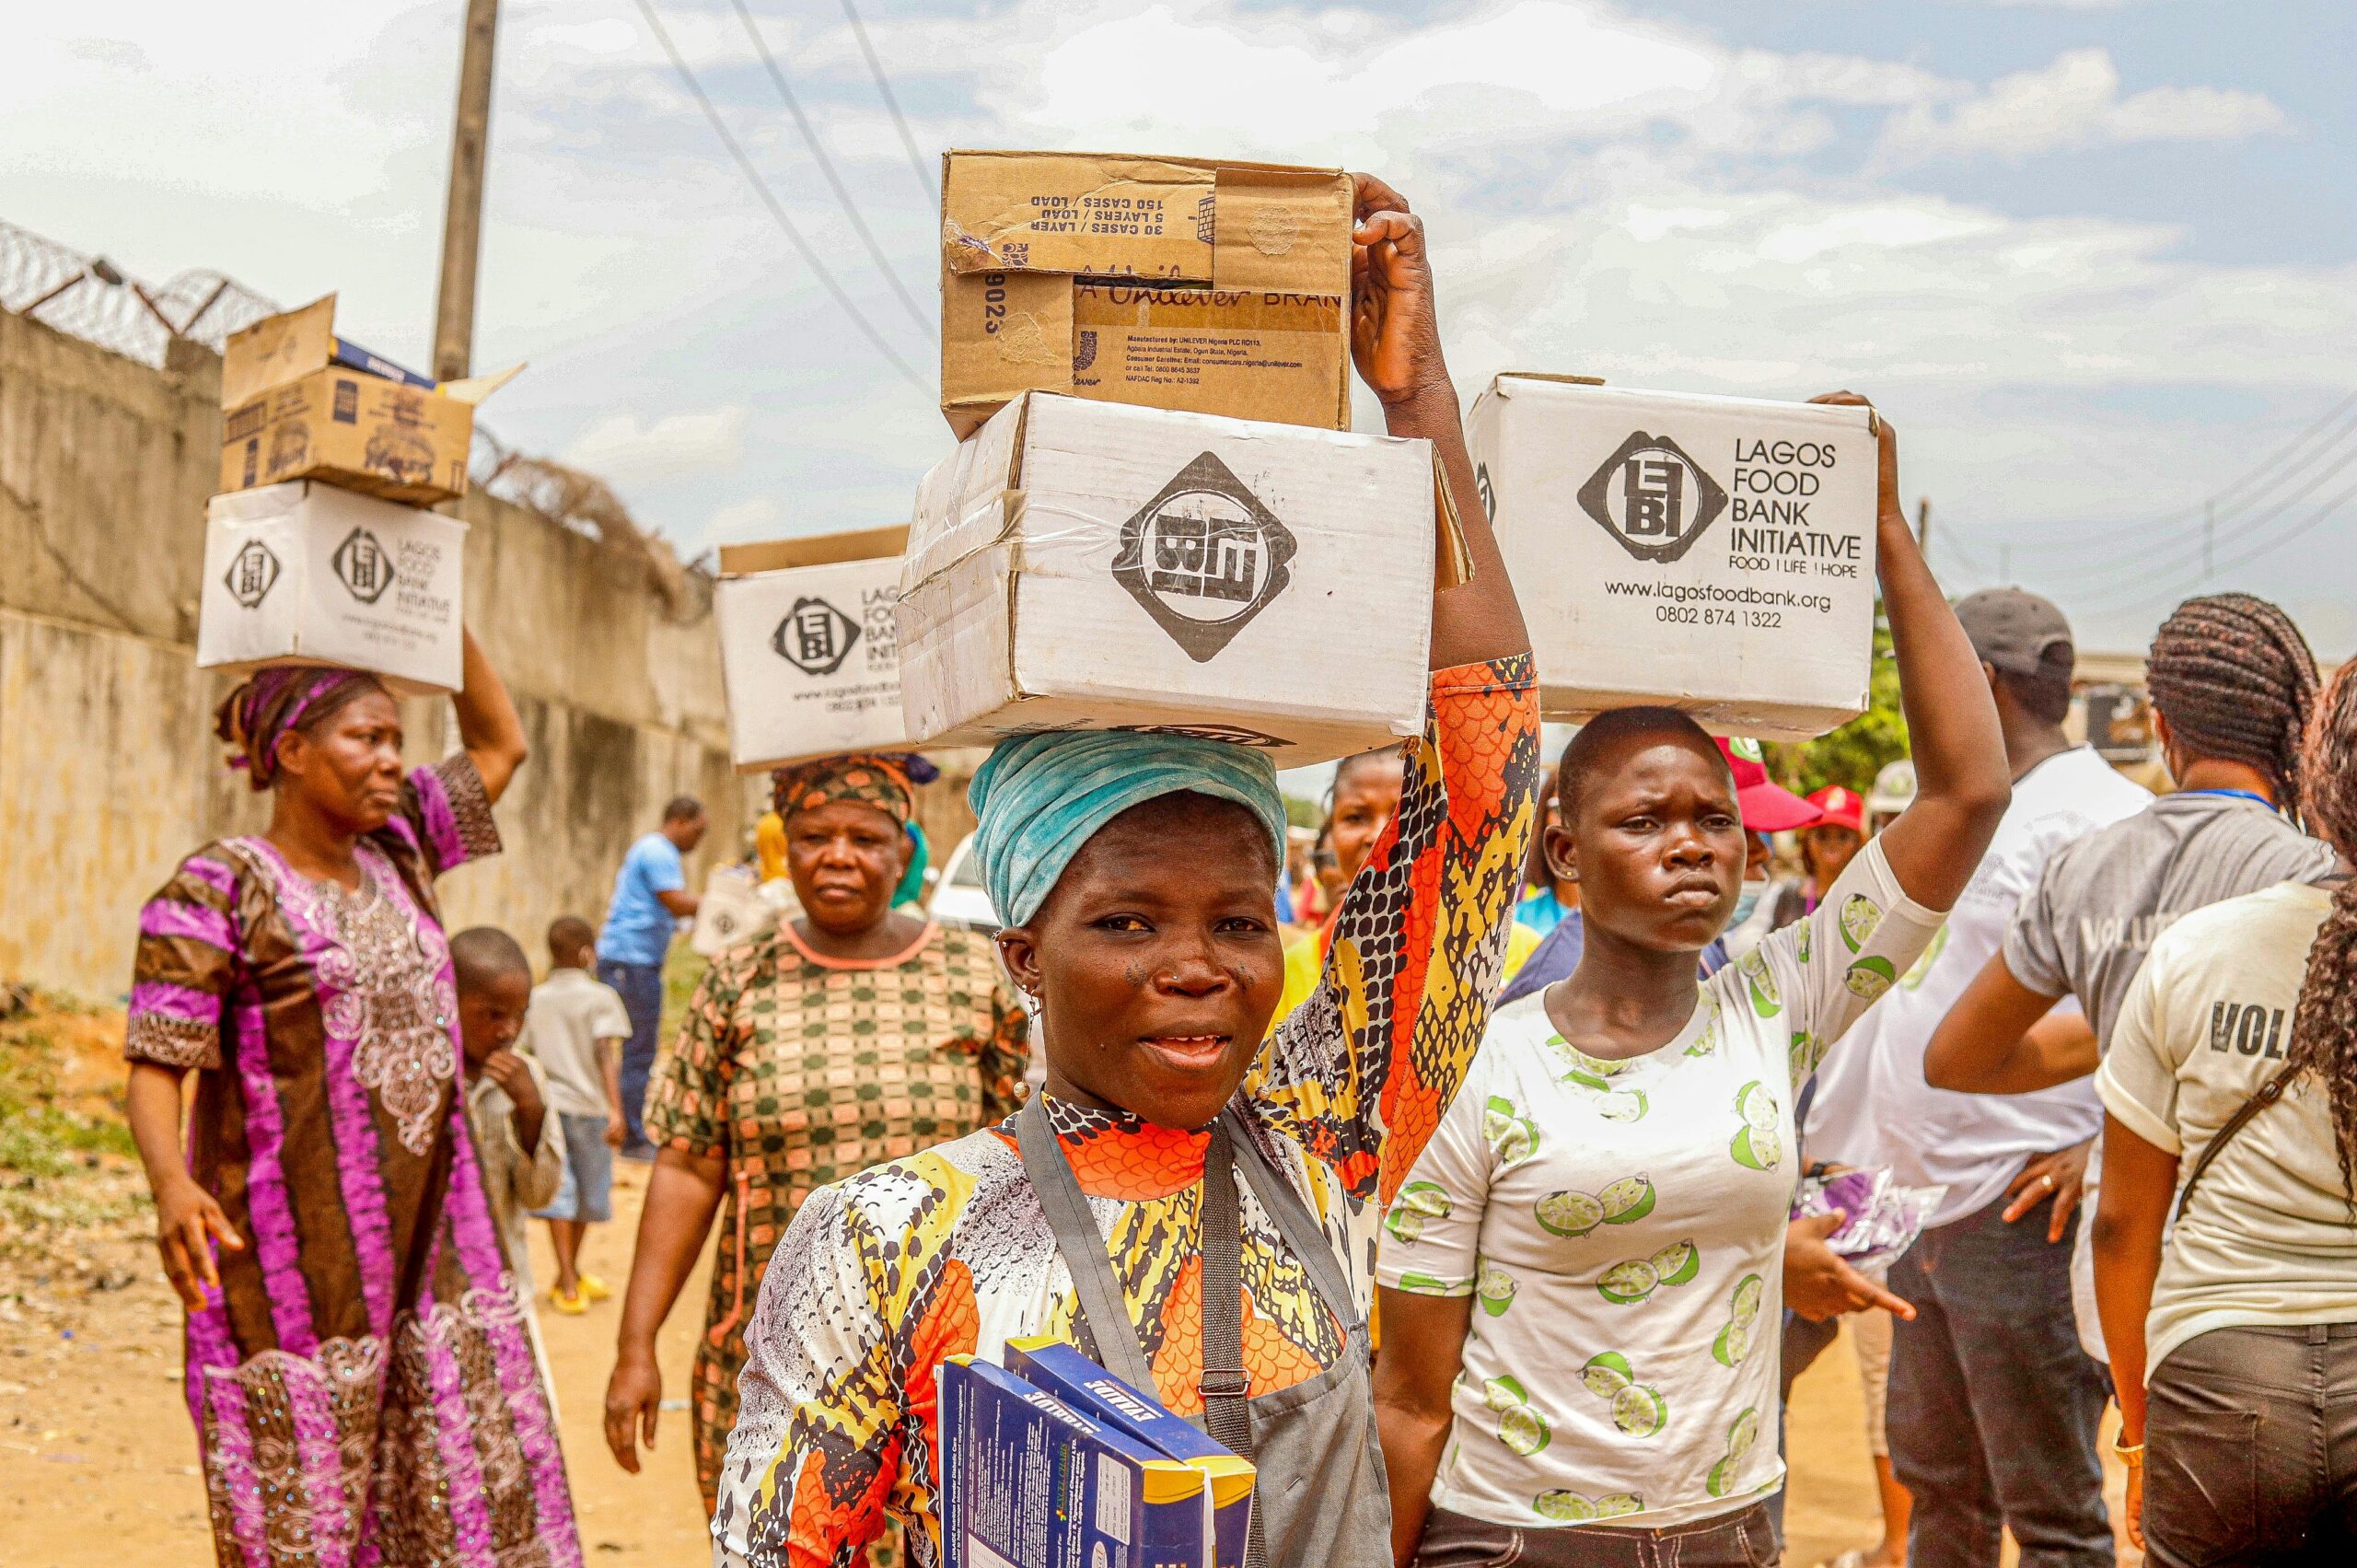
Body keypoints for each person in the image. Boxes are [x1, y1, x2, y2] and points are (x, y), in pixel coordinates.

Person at [703, 173, 1540, 1568]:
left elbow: (1487, 790)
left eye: (1236, 915)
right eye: (1128, 918)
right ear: (1023, 947)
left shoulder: (1324, 1145)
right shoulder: (887, 1240)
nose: (1196, 960)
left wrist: (1420, 408)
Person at [1374, 391, 2008, 1568]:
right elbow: (1409, 1399)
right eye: (1644, 817)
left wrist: (1880, 529)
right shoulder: (1477, 1069)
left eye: (1714, 818)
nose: (1691, 843)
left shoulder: (1774, 1005)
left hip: (1729, 1533)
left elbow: (1967, 791)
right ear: (1564, 851)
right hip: (1513, 1541)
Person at [121, 638, 579, 1566]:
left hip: (439, 1248)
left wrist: (430, 612)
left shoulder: (400, 848)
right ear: (291, 750)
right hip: (292, 1262)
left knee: (462, 1494)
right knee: (310, 1519)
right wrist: (171, 1182)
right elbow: (156, 1056)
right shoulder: (216, 886)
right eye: (365, 737)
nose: (390, 758)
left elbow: (503, 744)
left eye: (397, 738)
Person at [1814, 587, 2151, 1568]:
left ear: (1979, 680)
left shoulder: (2103, 818)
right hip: (1915, 1205)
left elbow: (2156, 1003)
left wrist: (2098, 1145)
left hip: (2020, 1224)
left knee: (2045, 1507)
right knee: (1939, 1490)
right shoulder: (1968, 805)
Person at [603, 754, 1031, 1520]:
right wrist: (637, 1345)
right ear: (784, 847)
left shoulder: (972, 975)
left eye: (864, 837)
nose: (837, 855)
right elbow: (688, 1170)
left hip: (943, 1366)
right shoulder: (737, 979)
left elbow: (1025, 1167)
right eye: (813, 835)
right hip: (772, 1358)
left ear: (903, 851)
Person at [1924, 592, 2334, 1360]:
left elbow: (1957, 1057)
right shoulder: (2314, 872)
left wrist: (2127, 1052)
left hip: (2122, 1273)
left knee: (2138, 1471)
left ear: (2160, 725)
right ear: (2293, 723)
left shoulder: (2086, 867)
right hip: (2275, 1271)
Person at [2091, 657, 2357, 1562]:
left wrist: (2138, 1434)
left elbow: (2123, 1225)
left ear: (2315, 781)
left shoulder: (2194, 952)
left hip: (2217, 1384)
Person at [524, 914, 634, 1314]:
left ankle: (566, 1274)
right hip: (590, 1110)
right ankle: (569, 1280)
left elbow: (527, 1053)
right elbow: (607, 1055)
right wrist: (617, 1111)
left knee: (562, 1192)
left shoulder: (535, 998)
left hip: (549, 1108)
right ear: (587, 952)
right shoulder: (600, 997)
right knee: (586, 1191)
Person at [453, 925, 566, 1300]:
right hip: (434, 1290)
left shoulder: (527, 1076)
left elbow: (539, 1197)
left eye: (520, 1015)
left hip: (504, 1286)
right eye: (492, 1015)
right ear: (447, 1001)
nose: (509, 1031)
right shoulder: (423, 1079)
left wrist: (530, 1111)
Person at [598, 795, 707, 1157]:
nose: (698, 840)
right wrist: (724, 904)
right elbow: (675, 902)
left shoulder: (655, 850)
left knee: (634, 1047)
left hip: (632, 959)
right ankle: (632, 1137)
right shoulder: (659, 852)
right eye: (698, 830)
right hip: (630, 961)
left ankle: (625, 1128)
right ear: (680, 820)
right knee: (638, 1048)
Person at [1803, 785, 1867, 908]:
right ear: (1806, 840)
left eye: (1843, 837)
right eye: (1822, 836)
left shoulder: (1871, 899)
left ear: (1858, 842)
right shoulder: (1781, 895)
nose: (1832, 844)